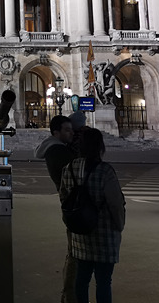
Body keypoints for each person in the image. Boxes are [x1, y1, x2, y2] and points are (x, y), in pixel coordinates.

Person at [60, 128, 125, 303]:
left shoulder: (69, 169)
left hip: (81, 234)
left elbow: (64, 199)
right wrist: (119, 226)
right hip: (104, 234)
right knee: (104, 281)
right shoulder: (105, 171)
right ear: (99, 147)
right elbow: (116, 204)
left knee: (82, 279)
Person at [36, 114, 76, 303]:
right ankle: (70, 296)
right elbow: (76, 176)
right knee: (76, 256)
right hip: (74, 207)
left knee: (75, 254)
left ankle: (70, 295)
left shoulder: (58, 149)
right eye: (68, 130)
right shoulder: (59, 152)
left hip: (71, 206)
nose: (72, 134)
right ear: (56, 132)